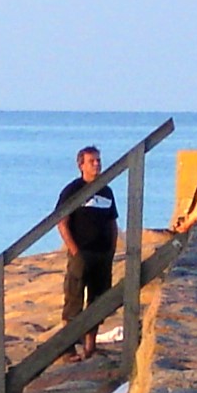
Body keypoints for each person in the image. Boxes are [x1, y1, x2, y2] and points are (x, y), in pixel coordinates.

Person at [56, 145, 119, 360]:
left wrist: (112, 248)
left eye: (98, 160)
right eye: (92, 161)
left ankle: (90, 346)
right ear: (81, 165)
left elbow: (112, 221)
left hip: (103, 253)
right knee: (73, 299)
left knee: (99, 299)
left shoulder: (106, 190)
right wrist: (74, 250)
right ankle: (68, 348)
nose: (97, 164)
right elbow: (61, 222)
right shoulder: (72, 190)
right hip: (81, 252)